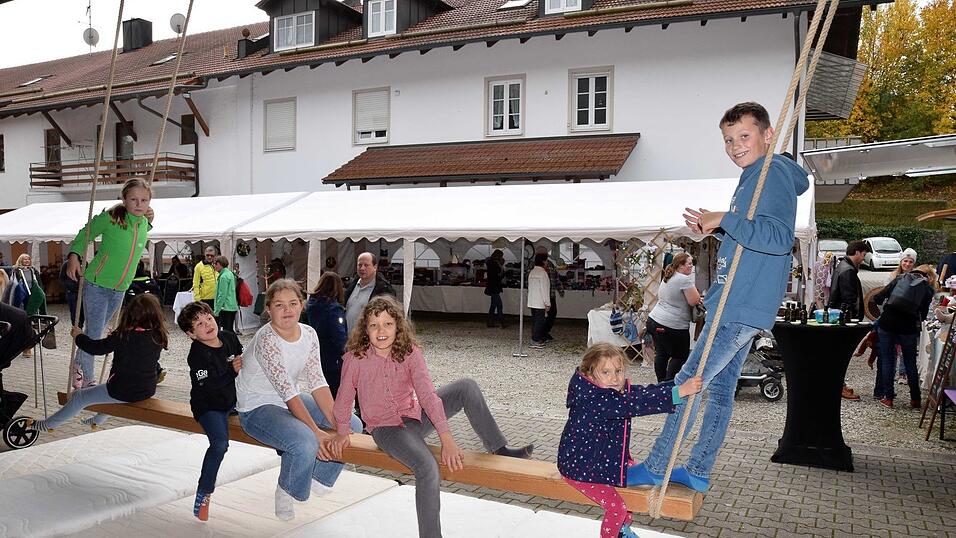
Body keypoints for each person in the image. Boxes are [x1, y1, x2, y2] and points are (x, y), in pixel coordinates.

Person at [629, 102, 809, 493]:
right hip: (736, 301)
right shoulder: (751, 177)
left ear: (767, 135)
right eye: (728, 139)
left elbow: (780, 239)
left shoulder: (771, 172)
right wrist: (717, 228)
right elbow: (755, 237)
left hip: (740, 305)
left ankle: (658, 464)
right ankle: (697, 469)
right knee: (722, 389)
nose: (735, 145)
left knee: (688, 380)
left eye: (744, 136)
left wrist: (725, 219)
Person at [329, 295, 534, 538]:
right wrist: (342, 431)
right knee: (427, 466)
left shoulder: (410, 352)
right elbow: (343, 397)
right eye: (374, 325)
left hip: (413, 417)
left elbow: (427, 396)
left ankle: (499, 448)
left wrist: (447, 438)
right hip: (386, 429)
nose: (381, 331)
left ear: (398, 326)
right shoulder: (356, 358)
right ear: (365, 329)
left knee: (466, 387)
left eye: (387, 324)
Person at [235, 279, 362, 521]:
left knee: (352, 424)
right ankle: (287, 488)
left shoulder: (309, 334)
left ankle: (318, 476)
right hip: (256, 406)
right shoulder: (267, 339)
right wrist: (317, 432)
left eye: (293, 303)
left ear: (302, 305)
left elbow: (318, 382)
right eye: (279, 305)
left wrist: (337, 423)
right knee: (305, 440)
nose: (287, 310)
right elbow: (288, 392)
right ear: (268, 309)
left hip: (285, 401)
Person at [558, 343, 702, 538]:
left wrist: (674, 385)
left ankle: (623, 529)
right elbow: (636, 404)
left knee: (629, 485)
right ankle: (613, 534)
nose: (614, 378)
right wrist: (677, 393)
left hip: (596, 459)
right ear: (590, 375)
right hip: (580, 468)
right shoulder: (595, 400)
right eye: (606, 372)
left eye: (618, 371)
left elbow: (642, 393)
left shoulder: (607, 392)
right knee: (617, 507)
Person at [27, 293, 167, 432]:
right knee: (107, 392)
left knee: (79, 396)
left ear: (130, 314)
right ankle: (97, 420)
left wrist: (78, 336)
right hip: (147, 389)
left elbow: (96, 348)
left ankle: (46, 425)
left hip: (122, 390)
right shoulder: (158, 335)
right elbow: (137, 350)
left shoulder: (123, 336)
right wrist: (115, 337)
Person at [66, 178, 154, 389]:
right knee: (95, 334)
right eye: (133, 199)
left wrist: (151, 219)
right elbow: (84, 234)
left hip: (120, 288)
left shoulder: (143, 224)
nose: (139, 204)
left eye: (144, 200)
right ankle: (88, 378)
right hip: (97, 284)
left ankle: (78, 363)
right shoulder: (110, 218)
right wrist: (74, 256)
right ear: (124, 199)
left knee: (96, 331)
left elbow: (139, 232)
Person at [177, 301, 243, 522]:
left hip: (233, 401)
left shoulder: (229, 338)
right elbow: (209, 384)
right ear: (191, 334)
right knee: (219, 444)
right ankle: (204, 492)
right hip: (209, 406)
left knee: (265, 419)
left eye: (208, 318)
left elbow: (244, 360)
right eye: (198, 323)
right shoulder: (197, 354)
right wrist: (232, 371)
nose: (207, 324)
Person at [872, 264, 935, 409]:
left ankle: (888, 398)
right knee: (910, 362)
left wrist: (888, 304)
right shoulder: (927, 289)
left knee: (888, 360)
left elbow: (878, 297)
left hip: (888, 323)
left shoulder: (900, 278)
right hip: (908, 328)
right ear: (929, 276)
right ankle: (915, 399)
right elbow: (923, 315)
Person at [647, 252, 702, 382]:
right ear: (681, 266)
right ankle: (670, 384)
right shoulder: (683, 279)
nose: (691, 266)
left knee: (661, 354)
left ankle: (661, 384)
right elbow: (694, 301)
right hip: (673, 324)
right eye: (689, 263)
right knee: (680, 356)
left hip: (655, 320)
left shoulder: (669, 276)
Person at [828, 240, 869, 401]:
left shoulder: (842, 266)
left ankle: (839, 385)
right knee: (841, 356)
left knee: (839, 355)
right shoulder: (848, 270)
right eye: (864, 254)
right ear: (857, 252)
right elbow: (848, 298)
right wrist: (850, 320)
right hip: (844, 319)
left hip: (839, 316)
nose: (864, 258)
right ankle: (839, 386)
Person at [306, 271, 348, 398]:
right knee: (334, 392)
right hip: (331, 357)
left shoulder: (312, 304)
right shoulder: (334, 309)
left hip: (316, 353)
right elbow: (339, 336)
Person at [343, 252, 395, 332]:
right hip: (348, 339)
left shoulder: (384, 290)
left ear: (375, 267)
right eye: (359, 265)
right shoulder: (351, 285)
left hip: (367, 340)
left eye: (366, 265)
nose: (362, 268)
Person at [527, 253, 551, 349]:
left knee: (535, 321)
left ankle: (535, 338)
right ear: (543, 261)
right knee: (539, 322)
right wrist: (547, 303)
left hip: (532, 301)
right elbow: (545, 289)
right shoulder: (543, 273)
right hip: (540, 302)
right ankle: (535, 340)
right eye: (546, 260)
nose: (547, 262)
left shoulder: (532, 272)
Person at [212, 255, 238, 334]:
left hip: (225, 307)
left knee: (227, 331)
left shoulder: (223, 277)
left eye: (215, 264)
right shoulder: (230, 273)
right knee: (230, 329)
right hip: (232, 306)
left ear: (220, 264)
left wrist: (216, 311)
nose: (214, 266)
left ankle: (235, 346)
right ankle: (236, 346)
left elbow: (222, 295)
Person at [484, 249, 506, 328]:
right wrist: (502, 271)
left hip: (493, 287)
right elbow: (497, 276)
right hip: (495, 287)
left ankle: (490, 322)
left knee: (493, 305)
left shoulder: (491, 263)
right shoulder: (494, 264)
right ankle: (501, 321)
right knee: (499, 305)